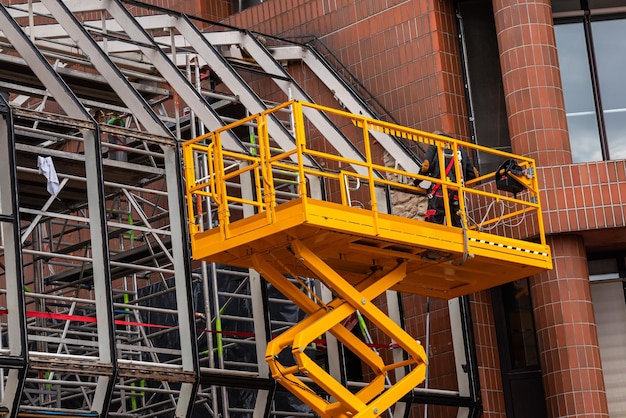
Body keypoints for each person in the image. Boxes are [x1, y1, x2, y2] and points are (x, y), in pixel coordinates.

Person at [417, 132, 479, 227]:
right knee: (457, 220)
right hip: (457, 192)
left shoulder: (435, 144)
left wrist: (416, 182)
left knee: (435, 220)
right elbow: (473, 174)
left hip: (440, 190)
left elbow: (426, 166)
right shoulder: (460, 150)